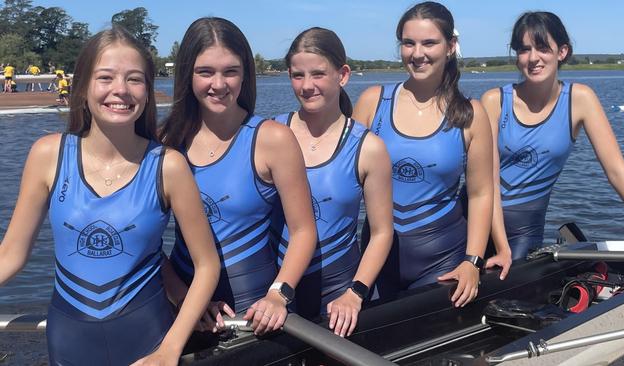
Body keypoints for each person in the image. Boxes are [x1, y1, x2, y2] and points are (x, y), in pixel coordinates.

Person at [0, 27, 221, 365]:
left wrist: (170, 349)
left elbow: (207, 265)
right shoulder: (48, 154)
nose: (120, 90)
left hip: (148, 339)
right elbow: (11, 254)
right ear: (83, 87)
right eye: (106, 77)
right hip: (68, 341)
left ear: (147, 91)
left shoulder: (168, 166)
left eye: (134, 79)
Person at [159, 17, 316, 337]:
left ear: (245, 75)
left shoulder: (273, 139)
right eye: (205, 72)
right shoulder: (166, 142)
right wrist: (182, 297)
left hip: (257, 313)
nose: (219, 84)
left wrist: (278, 295)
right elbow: (145, 242)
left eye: (230, 71)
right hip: (187, 312)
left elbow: (303, 231)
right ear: (187, 74)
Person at [353, 1, 493, 308]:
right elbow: (341, 182)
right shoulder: (371, 102)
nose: (417, 54)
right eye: (408, 43)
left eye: (429, 43)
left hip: (442, 261)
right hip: (376, 258)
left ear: (450, 46)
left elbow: (481, 193)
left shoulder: (471, 113)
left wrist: (472, 260)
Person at [481, 11, 624, 261]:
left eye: (542, 48)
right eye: (524, 49)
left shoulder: (580, 99)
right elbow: (488, 182)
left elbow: (616, 171)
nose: (533, 58)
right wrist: (501, 246)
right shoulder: (494, 101)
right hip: (477, 221)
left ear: (562, 52)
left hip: (526, 229)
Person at [272, 27, 393, 337]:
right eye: (297, 75)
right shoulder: (270, 134)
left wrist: (355, 293)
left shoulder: (368, 148)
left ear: (343, 75)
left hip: (338, 293)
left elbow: (381, 232)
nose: (307, 85)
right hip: (276, 291)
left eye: (318, 74)